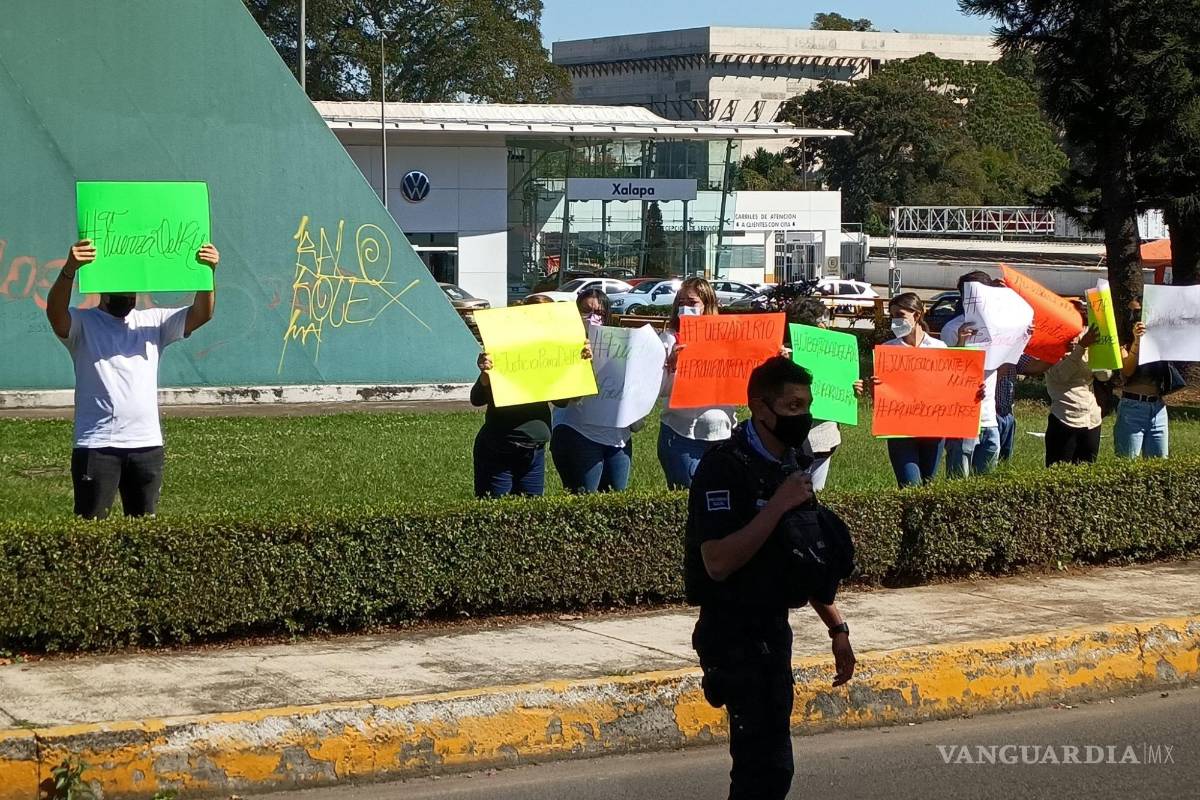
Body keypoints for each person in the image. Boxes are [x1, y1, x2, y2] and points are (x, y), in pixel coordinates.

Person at [686, 356, 855, 800]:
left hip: (773, 627)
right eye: (793, 406)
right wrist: (777, 504)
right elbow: (717, 562)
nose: (803, 416)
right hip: (732, 632)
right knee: (763, 766)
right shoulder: (724, 467)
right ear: (761, 408)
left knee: (771, 766)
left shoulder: (792, 461)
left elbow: (802, 548)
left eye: (806, 405)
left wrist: (837, 627)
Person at [46, 238, 220, 519]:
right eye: (120, 294)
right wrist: (70, 270)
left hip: (147, 446)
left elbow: (202, 313)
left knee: (144, 530)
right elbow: (55, 314)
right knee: (91, 529)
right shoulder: (83, 324)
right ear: (103, 290)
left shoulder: (154, 322)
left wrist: (207, 272)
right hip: (96, 445)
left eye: (131, 295)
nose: (127, 299)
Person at [472, 295, 585, 498]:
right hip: (499, 448)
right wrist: (485, 374)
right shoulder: (504, 349)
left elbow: (562, 400)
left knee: (530, 515)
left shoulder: (551, 352)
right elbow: (477, 398)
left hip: (535, 450)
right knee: (495, 514)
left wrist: (579, 365)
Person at [550, 289, 642, 492]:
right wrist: (582, 366)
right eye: (586, 311)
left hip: (618, 437)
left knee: (616, 500)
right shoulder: (563, 346)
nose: (593, 317)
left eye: (599, 313)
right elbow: (562, 399)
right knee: (583, 498)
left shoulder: (620, 345)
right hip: (579, 432)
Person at [657, 277, 736, 489]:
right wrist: (671, 364)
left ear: (707, 305)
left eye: (692, 303)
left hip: (723, 435)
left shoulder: (730, 340)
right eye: (681, 303)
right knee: (688, 500)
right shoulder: (669, 340)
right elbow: (659, 391)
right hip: (682, 435)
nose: (685, 308)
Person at [786, 296, 864, 491]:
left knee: (816, 496)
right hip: (792, 441)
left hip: (823, 438)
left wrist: (854, 388)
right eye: (823, 321)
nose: (826, 326)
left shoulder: (837, 352)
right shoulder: (783, 356)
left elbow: (842, 386)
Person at [870, 293, 948, 488]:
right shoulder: (888, 350)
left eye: (900, 315)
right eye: (892, 316)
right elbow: (880, 398)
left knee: (927, 485)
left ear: (917, 315)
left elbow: (951, 387)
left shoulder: (939, 348)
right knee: (909, 485)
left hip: (933, 428)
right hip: (900, 429)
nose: (895, 320)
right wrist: (875, 388)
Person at [1023, 301, 1106, 466]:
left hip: (1092, 418)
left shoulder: (1086, 343)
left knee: (1087, 474)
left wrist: (1101, 353)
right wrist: (1081, 348)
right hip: (1065, 418)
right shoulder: (1052, 346)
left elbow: (1104, 376)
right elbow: (1060, 375)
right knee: (1059, 473)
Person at [940, 271, 1004, 478]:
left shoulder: (1001, 325)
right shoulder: (952, 328)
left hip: (989, 418)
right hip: (962, 419)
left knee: (986, 484)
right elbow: (945, 374)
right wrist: (961, 344)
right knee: (959, 481)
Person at [1114, 297, 1170, 458]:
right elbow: (1127, 370)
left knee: (1159, 465)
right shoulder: (1124, 343)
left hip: (1158, 408)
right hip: (1133, 407)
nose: (1133, 317)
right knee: (1128, 463)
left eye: (1138, 312)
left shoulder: (1160, 341)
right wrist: (1137, 342)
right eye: (1130, 312)